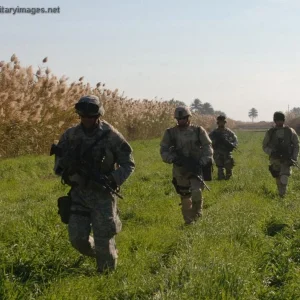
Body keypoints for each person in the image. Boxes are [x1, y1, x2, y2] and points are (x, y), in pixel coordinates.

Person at [52, 95, 135, 273]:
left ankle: (106, 275)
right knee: (78, 239)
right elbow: (58, 164)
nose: (87, 120)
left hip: (103, 195)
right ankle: (104, 253)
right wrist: (68, 171)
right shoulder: (70, 135)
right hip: (79, 194)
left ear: (98, 115)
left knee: (104, 238)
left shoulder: (111, 135)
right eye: (84, 116)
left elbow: (129, 163)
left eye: (91, 116)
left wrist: (112, 179)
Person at [160, 106, 213, 225]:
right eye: (179, 119)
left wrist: (203, 161)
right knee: (185, 195)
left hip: (195, 167)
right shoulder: (170, 133)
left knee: (197, 192)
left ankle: (197, 214)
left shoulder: (198, 131)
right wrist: (172, 159)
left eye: (183, 118)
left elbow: (208, 147)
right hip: (180, 170)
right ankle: (189, 221)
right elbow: (163, 150)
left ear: (188, 118)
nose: (181, 121)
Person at [263, 111, 299, 197]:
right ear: (275, 121)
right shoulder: (270, 132)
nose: (280, 122)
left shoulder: (290, 131)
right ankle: (280, 192)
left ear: (284, 120)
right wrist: (272, 152)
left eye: (281, 120)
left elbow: (296, 145)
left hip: (287, 158)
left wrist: (294, 157)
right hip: (275, 159)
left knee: (284, 176)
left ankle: (283, 195)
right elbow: (264, 146)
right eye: (278, 120)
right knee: (278, 177)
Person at [209, 115, 238, 180]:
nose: (221, 123)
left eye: (223, 122)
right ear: (218, 123)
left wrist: (231, 144)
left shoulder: (229, 132)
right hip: (217, 152)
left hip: (227, 152)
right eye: (220, 122)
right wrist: (215, 141)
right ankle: (220, 178)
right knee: (220, 166)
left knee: (228, 166)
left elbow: (235, 140)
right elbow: (208, 141)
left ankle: (228, 178)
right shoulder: (214, 133)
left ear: (225, 123)